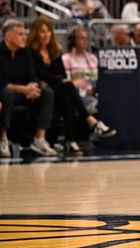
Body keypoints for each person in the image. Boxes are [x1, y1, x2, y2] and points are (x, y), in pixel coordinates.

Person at [28, 17, 114, 156]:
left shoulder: (55, 51)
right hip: (39, 92)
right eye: (42, 32)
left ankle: (71, 141)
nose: (46, 35)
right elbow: (40, 74)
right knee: (68, 87)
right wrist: (51, 79)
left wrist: (50, 79)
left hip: (55, 90)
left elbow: (59, 75)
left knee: (66, 98)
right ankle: (91, 122)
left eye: (48, 31)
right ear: (35, 34)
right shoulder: (30, 52)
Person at [0, 19, 56, 157]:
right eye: (20, 34)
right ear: (8, 36)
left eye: (24, 34)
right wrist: (23, 89)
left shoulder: (25, 52)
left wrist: (33, 87)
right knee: (6, 94)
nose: (25, 37)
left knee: (47, 93)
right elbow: (1, 82)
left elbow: (33, 75)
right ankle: (3, 139)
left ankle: (39, 139)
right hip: (5, 93)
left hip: (24, 93)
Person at [62, 27, 100, 113]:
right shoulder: (66, 59)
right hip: (77, 96)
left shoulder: (92, 58)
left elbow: (98, 78)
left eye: (86, 38)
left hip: (94, 93)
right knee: (94, 103)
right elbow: (65, 82)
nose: (85, 41)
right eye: (82, 38)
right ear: (73, 41)